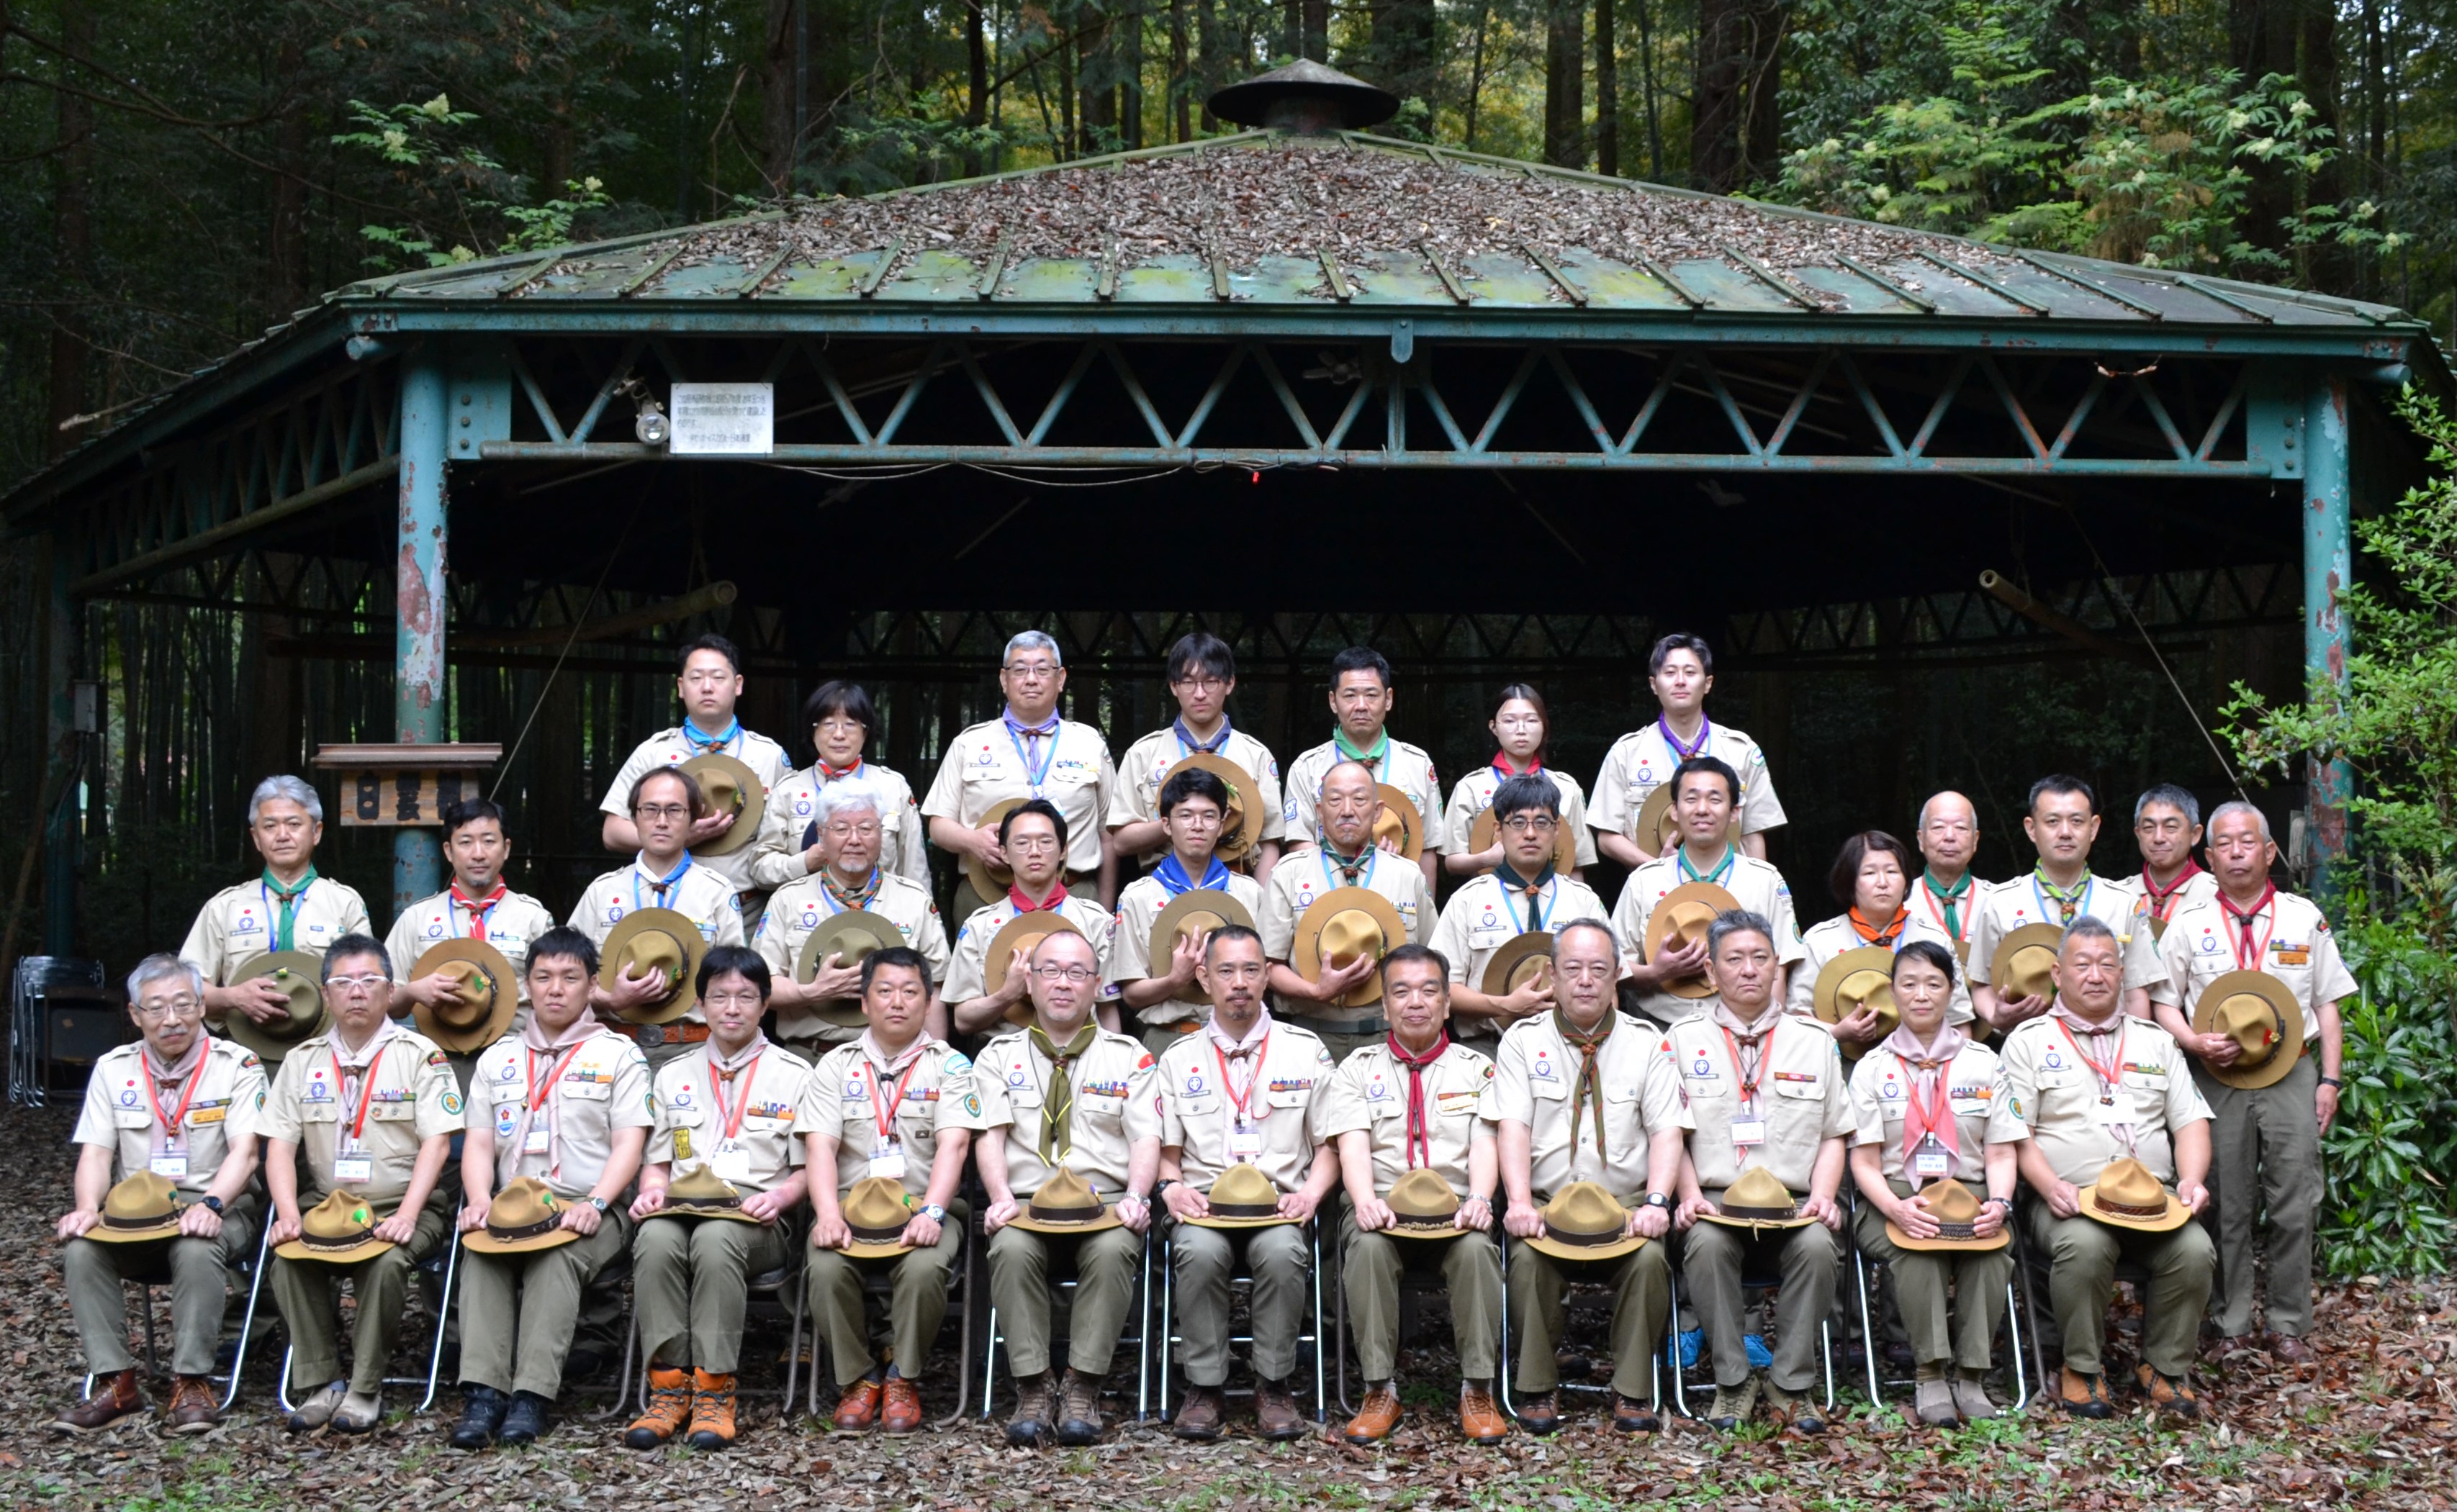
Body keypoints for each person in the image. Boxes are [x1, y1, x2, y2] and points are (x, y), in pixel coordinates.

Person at [2150, 801, 2350, 1364]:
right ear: (2208, 856)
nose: (2236, 852)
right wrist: (2191, 1041)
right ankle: (2229, 1320)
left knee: (2294, 1198)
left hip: (2291, 1073)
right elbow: (2163, 1002)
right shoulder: (2188, 925)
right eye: (2224, 844)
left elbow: (2326, 1005)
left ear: (2268, 851)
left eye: (2247, 842)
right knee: (2224, 1198)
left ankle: (2288, 1321)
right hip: (2214, 1075)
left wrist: (2328, 1079)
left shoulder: (2301, 917)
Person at [2003, 916, 2215, 1419]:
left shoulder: (2154, 1041)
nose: (2094, 975)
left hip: (2151, 1201)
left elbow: (2190, 1123)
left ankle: (2162, 1367)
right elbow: (2015, 1133)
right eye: (2082, 964)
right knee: (2085, 1244)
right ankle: (2082, 1366)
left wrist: (2190, 1181)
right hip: (2069, 1199)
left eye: (2106, 964)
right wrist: (2048, 1183)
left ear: (2122, 974)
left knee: (2193, 1249)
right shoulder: (2028, 1041)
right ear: (2057, 972)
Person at [450, 928, 652, 1450]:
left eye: (569, 977)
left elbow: (630, 1144)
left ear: (592, 986)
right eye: (543, 977)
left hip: (589, 1204)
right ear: (527, 986)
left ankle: (531, 1395)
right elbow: (478, 1143)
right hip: (512, 1205)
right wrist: (477, 1200)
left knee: (556, 1256)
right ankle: (484, 1392)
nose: (555, 989)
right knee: (480, 1250)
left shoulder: (618, 1055)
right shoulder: (499, 1058)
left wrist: (596, 1202)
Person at [53, 955, 267, 1434]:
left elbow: (246, 1152)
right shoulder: (113, 1068)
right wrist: (88, 1208)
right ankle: (116, 1381)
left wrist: (212, 1205)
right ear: (135, 1015)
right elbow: (95, 1152)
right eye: (156, 1008)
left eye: (182, 1004)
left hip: (216, 1203)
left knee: (195, 1246)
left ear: (200, 1006)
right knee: (83, 1249)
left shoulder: (237, 1064)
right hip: (134, 1215)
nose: (171, 1019)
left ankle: (192, 1381)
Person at [261, 936, 458, 1433]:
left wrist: (409, 1216)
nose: (357, 992)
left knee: (387, 1260)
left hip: (400, 1200)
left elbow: (437, 1145)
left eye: (369, 981)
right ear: (326, 995)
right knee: (288, 1257)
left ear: (390, 991)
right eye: (343, 982)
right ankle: (319, 1381)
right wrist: (287, 1213)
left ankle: (365, 1387)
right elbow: (279, 1147)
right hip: (325, 1204)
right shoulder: (301, 1060)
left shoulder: (420, 1055)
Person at [1495, 919, 1683, 1434]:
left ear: (1617, 976)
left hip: (1623, 1206)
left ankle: (1633, 1389)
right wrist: (1517, 1202)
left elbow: (1667, 1130)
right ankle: (1535, 1386)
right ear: (1551, 976)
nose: (1584, 980)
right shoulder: (1520, 1041)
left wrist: (1656, 1201)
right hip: (1547, 1206)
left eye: (1598, 969)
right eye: (1572, 969)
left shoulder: (1649, 1043)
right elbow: (1512, 1126)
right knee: (1529, 1258)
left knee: (1647, 1259)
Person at [973, 929, 1161, 1446]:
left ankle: (1082, 1386)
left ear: (1096, 985)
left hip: (1102, 1205)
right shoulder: (996, 1057)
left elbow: (1146, 1135)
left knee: (1116, 1245)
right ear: (1029, 982)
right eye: (1050, 970)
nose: (1063, 983)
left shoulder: (1129, 1057)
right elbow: (989, 1136)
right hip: (1028, 1204)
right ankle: (1033, 1386)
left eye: (1077, 972)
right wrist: (1000, 1198)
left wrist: (1136, 1196)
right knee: (1008, 1245)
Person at [1667, 910, 1850, 1434]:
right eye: (1734, 958)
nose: (1748, 969)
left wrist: (1822, 1195)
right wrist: (1686, 1195)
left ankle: (1790, 1382)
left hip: (1792, 1204)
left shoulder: (1813, 1039)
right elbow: (1669, 1133)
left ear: (1776, 967)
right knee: (1703, 1244)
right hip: (1715, 1202)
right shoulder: (1681, 1039)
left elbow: (1835, 1131)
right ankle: (1733, 1380)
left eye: (1760, 957)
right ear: (1710, 969)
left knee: (1818, 1246)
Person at [1317, 944, 1509, 1447]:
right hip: (1382, 1203)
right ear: (1384, 1006)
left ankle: (1478, 1387)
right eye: (1400, 991)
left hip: (1453, 1209)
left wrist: (1481, 1198)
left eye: (1428, 990)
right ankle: (1380, 1388)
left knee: (1475, 1249)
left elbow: (1484, 1141)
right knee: (1368, 1246)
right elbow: (1352, 1145)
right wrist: (1362, 1200)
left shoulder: (1477, 1068)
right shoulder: (1357, 1069)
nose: (1415, 1001)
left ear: (1447, 1003)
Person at [1153, 924, 1338, 1441]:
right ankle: (1204, 1385)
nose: (1239, 982)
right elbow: (1166, 1153)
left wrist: (1310, 1194)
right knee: (1196, 1250)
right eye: (1226, 970)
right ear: (1204, 976)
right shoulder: (1177, 1057)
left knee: (1282, 1252)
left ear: (1266, 977)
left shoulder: (1304, 1050)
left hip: (1279, 1204)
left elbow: (1329, 1145)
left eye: (1251, 969)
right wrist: (1170, 1186)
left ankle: (1273, 1383)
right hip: (1204, 1205)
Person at [623, 946, 813, 1450]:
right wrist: (649, 1193)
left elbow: (806, 1170)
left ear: (764, 1003)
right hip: (681, 1206)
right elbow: (657, 1162)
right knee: (655, 1238)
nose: (732, 1008)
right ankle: (668, 1387)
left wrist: (780, 1198)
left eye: (745, 997)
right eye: (719, 996)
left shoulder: (794, 1074)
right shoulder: (673, 1073)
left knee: (716, 1239)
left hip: (755, 1217)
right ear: (701, 1005)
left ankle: (714, 1389)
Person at [803, 946, 985, 1434]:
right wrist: (826, 1214)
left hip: (921, 1208)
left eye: (910, 991)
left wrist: (931, 1211)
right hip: (850, 1209)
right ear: (864, 1002)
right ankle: (859, 1377)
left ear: (928, 1002)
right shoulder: (835, 1066)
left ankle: (903, 1375)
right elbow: (820, 1147)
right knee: (824, 1267)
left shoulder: (950, 1066)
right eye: (884, 991)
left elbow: (955, 1144)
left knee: (925, 1267)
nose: (897, 1002)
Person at [1844, 941, 2019, 1427]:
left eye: (1933, 983)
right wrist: (1895, 1209)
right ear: (1892, 992)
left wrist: (2000, 1202)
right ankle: (1929, 1372)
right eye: (1908, 983)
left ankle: (1970, 1373)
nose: (1920, 994)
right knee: (1916, 1247)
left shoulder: (1984, 1062)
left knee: (1990, 1250)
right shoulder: (1871, 1068)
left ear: (1951, 991)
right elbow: (1862, 1162)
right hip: (1896, 1197)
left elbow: (2001, 1150)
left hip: (1970, 1196)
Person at [924, 630, 1119, 915]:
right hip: (986, 896)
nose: (1031, 679)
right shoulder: (969, 744)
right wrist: (972, 841)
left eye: (1042, 669)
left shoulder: (1090, 744)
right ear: (1004, 680)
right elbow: (938, 825)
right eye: (1019, 670)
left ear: (1061, 678)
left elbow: (1109, 835)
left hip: (1074, 896)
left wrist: (1106, 910)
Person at [754, 777, 951, 1056]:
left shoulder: (913, 900)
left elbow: (937, 986)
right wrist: (813, 992)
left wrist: (934, 1060)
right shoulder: (788, 899)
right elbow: (762, 984)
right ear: (821, 836)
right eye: (842, 829)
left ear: (881, 834)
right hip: (809, 1056)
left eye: (867, 828)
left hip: (895, 1058)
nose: (855, 840)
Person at [596, 634, 793, 910]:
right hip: (671, 905)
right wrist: (680, 836)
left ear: (738, 685)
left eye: (718, 677)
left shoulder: (768, 755)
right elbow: (613, 833)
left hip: (748, 907)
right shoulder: (654, 752)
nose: (707, 687)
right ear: (680, 687)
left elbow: (792, 833)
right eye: (696, 678)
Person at [1258, 760, 1437, 1062]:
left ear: (1378, 811)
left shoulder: (1407, 876)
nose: (1347, 810)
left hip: (1389, 1039)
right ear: (1319, 811)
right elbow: (1268, 965)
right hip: (1308, 1038)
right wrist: (1316, 991)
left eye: (1359, 799)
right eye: (1335, 799)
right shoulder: (1289, 874)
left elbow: (1433, 959)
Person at [569, 766, 747, 1066]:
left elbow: (736, 983)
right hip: (613, 1049)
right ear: (634, 816)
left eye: (675, 810)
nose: (662, 822)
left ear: (694, 816)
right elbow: (568, 980)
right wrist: (611, 1000)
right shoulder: (602, 892)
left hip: (693, 1050)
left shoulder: (716, 891)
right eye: (650, 810)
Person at [1611, 757, 1804, 1025]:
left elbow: (1779, 967)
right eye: (1691, 799)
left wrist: (1764, 1030)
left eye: (1715, 799)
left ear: (1734, 812)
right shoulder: (1644, 881)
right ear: (1675, 811)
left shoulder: (1764, 880)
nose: (1702, 809)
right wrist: (1657, 972)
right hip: (1660, 1031)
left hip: (1744, 1027)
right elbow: (1614, 965)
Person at [1966, 776, 2160, 1033]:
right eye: (2052, 821)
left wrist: (2134, 1052)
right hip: (2027, 1051)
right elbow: (1980, 984)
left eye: (2077, 821)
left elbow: (2136, 992)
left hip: (2108, 1050)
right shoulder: (2001, 903)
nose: (2065, 832)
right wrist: (1996, 1016)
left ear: (2094, 828)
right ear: (2031, 828)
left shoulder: (2123, 903)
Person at [1430, 774, 1608, 1050]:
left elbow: (1611, 987)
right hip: (1487, 1049)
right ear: (1498, 831)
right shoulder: (1467, 901)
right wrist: (1505, 1005)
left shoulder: (1582, 901)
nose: (1530, 834)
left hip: (1572, 1047)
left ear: (1557, 829)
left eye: (1541, 823)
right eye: (1517, 822)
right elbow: (1442, 989)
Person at [181, 774, 370, 1033]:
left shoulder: (344, 903)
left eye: (294, 824)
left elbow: (370, 981)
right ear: (256, 838)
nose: (282, 835)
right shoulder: (225, 907)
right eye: (270, 826)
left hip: (328, 1050)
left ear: (316, 832)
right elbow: (186, 990)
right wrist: (233, 997)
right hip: (242, 1052)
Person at [1109, 765, 1266, 1056]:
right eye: (1186, 815)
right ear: (1166, 825)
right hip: (1167, 1036)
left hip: (1242, 1037)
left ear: (1222, 826)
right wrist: (1174, 980)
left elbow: (1266, 976)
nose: (1197, 825)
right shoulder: (1138, 897)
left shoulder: (1249, 893)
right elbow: (1131, 994)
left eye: (1209, 816)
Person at [1588, 634, 1785, 866]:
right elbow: (1607, 837)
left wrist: (1757, 894)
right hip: (1656, 893)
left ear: (1708, 683)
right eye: (1670, 673)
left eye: (1690, 673)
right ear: (1654, 684)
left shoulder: (1741, 751)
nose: (1680, 681)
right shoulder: (1626, 753)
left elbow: (1753, 835)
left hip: (1730, 892)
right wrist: (1660, 869)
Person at [1109, 631, 1286, 886]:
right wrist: (1180, 820)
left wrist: (1261, 902)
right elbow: (1121, 841)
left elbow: (1269, 840)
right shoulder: (1144, 753)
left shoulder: (1255, 755)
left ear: (1230, 684)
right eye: (1189, 683)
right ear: (1173, 686)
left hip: (1236, 883)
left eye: (1211, 682)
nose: (1200, 693)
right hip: (1164, 887)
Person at [946, 799, 1121, 1038]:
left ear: (1064, 851)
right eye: (1022, 843)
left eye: (1046, 842)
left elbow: (1107, 1009)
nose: (1035, 851)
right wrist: (1007, 994)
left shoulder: (1096, 921)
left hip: (1082, 1052)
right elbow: (963, 1020)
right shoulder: (980, 925)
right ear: (1004, 853)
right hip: (1003, 1060)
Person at [387, 798, 556, 1039]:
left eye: (489, 842)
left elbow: (558, 995)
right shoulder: (416, 918)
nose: (478, 854)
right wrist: (412, 992)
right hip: (435, 1057)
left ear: (506, 848)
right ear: (448, 851)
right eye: (466, 843)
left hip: (514, 1055)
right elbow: (382, 1000)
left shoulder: (533, 919)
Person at [1280, 646, 1444, 890]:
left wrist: (1425, 910)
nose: (1361, 706)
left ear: (1388, 699)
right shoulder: (1307, 767)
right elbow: (1299, 843)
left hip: (1399, 897)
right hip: (1329, 902)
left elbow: (1428, 849)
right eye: (1350, 696)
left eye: (1371, 695)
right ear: (1333, 701)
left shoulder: (1417, 764)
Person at [1787, 830, 1972, 1046]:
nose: (1883, 882)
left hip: (1924, 1068)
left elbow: (1959, 1022)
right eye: (1869, 873)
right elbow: (1797, 1019)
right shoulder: (1820, 941)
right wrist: (1837, 1032)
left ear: (1906, 881)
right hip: (1844, 1068)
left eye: (1892, 871)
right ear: (1849, 882)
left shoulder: (1933, 938)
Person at [750, 679, 929, 892]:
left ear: (866, 732)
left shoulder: (893, 787)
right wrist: (805, 862)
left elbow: (915, 871)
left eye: (850, 724)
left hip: (879, 918)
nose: (839, 734)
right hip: (808, 916)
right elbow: (761, 869)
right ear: (812, 731)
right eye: (828, 724)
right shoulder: (789, 789)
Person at [1441, 684, 1595, 879]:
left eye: (1531, 720)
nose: (1521, 730)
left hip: (1551, 898)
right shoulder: (1471, 787)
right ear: (1493, 727)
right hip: (1490, 901)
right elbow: (1452, 861)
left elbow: (1576, 864)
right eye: (1510, 721)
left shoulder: (1566, 788)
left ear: (1544, 726)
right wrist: (1487, 858)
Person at [1909, 792, 1989, 962]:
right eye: (1938, 827)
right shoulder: (1901, 901)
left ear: (1975, 840)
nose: (1950, 837)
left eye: (1961, 828)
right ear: (1921, 839)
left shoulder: (1997, 900)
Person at [2132, 784, 2217, 935]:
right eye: (2149, 828)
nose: (2158, 838)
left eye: (2171, 827)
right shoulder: (2120, 896)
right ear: (2138, 834)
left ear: (2195, 834)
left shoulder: (2215, 895)